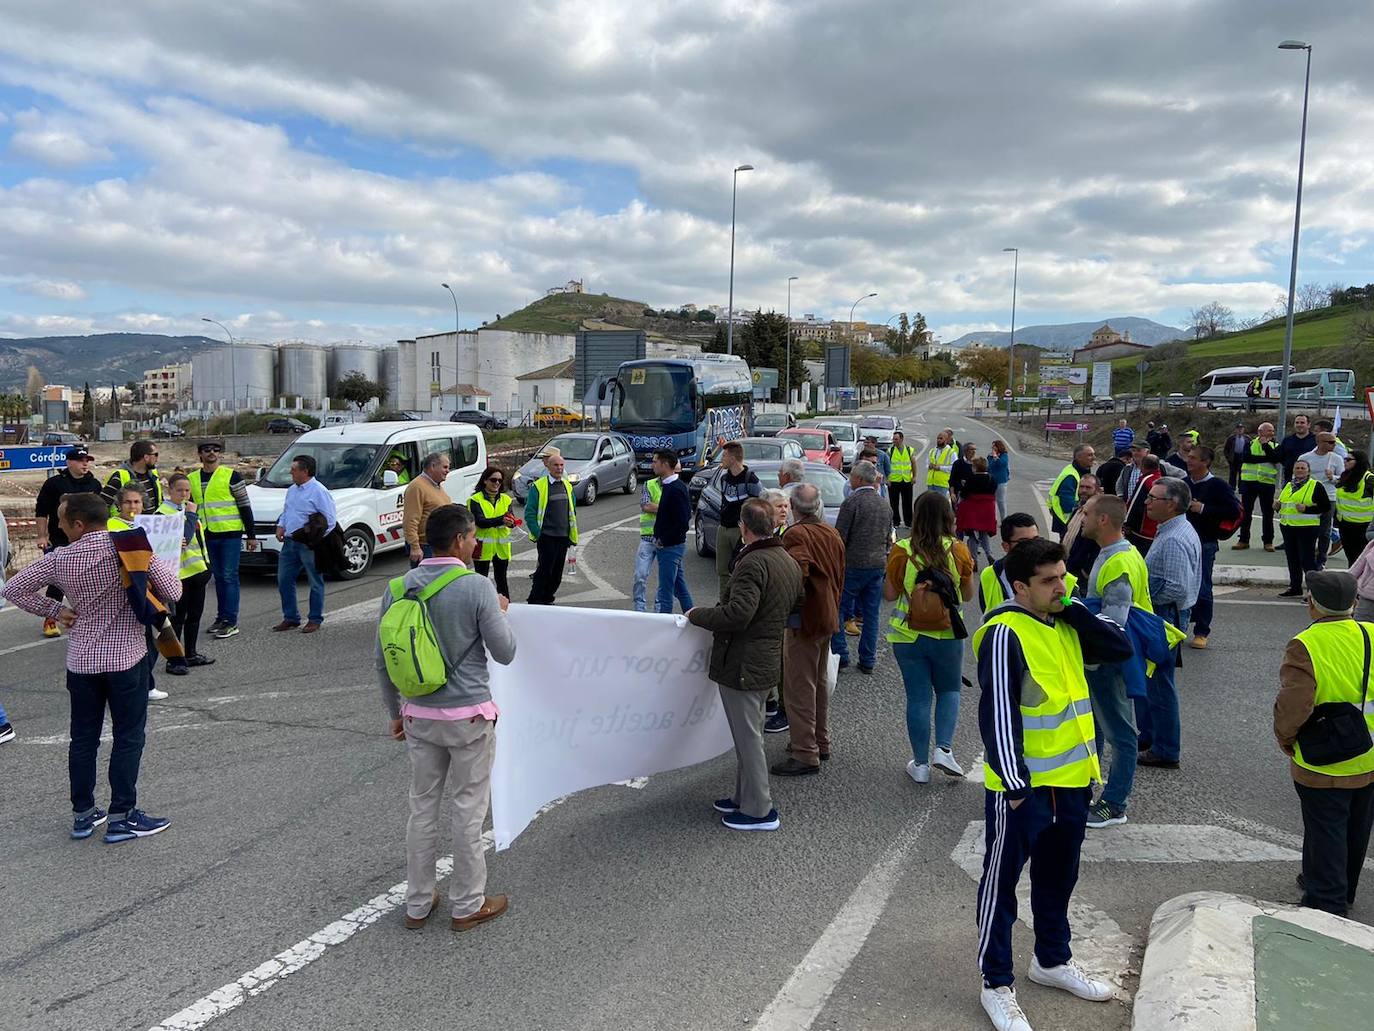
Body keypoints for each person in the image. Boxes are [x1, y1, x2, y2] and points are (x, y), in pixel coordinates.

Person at [972, 538, 1131, 1031]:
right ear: (1020, 586)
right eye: (1048, 581)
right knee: (1001, 886)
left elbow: (1120, 646)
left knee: (1059, 877)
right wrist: (1016, 785)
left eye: (1064, 576)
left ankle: (1052, 961)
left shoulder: (1066, 619)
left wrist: (1073, 608)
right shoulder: (1004, 632)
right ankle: (996, 984)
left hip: (1073, 782)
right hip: (1023, 788)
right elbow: (997, 712)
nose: (1061, 586)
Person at [3, 491, 181, 842]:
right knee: (128, 736)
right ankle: (122, 816)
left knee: (83, 739)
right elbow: (173, 589)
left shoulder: (60, 559)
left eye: (61, 519)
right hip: (126, 658)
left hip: (81, 660)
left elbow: (13, 589)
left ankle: (83, 815)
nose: (57, 524)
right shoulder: (130, 546)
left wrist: (55, 611)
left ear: (78, 524)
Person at [376, 503, 516, 931]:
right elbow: (505, 653)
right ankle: (467, 904)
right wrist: (500, 611)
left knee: (422, 809)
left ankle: (418, 903)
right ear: (459, 541)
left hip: (418, 714)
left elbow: (383, 661)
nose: (475, 542)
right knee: (467, 810)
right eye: (472, 536)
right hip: (469, 716)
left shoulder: (397, 588)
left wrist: (395, 712)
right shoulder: (475, 587)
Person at [687, 499, 804, 832]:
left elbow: (738, 614)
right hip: (766, 657)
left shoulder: (753, 562)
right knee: (747, 735)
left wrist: (697, 616)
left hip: (744, 661)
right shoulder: (785, 558)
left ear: (745, 527)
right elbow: (796, 602)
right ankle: (743, 797)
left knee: (749, 739)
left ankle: (758, 809)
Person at [1273, 570, 1374, 918]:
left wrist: (1286, 740)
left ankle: (1327, 905)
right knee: (1357, 827)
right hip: (1369, 755)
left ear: (1312, 605)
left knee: (1325, 829)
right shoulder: (1372, 634)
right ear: (1355, 604)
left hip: (1324, 758)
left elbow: (1294, 706)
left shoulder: (1306, 644)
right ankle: (1341, 888)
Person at [887, 491, 975, 786]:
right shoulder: (959, 550)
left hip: (907, 635)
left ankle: (921, 764)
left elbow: (889, 594)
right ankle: (944, 749)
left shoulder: (901, 550)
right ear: (948, 517)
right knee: (949, 691)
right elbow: (967, 595)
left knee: (918, 697)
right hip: (948, 633)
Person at [1079, 495, 1152, 828]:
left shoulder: (1118, 562)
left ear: (1103, 520)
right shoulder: (1113, 554)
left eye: (1087, 513)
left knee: (1120, 732)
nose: (1083, 518)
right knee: (1098, 725)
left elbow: (1113, 625)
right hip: (1105, 660)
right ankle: (1087, 788)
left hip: (1109, 661)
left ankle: (1114, 804)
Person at [774, 484, 845, 777]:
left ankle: (805, 751)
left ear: (792, 506)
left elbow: (797, 572)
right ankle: (819, 740)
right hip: (827, 616)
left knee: (799, 687)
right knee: (818, 682)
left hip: (805, 620)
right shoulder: (832, 533)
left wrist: (787, 605)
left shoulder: (796, 535)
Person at [1139, 477, 1201, 769]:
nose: (1147, 502)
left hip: (1165, 615)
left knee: (1160, 684)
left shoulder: (1175, 538)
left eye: (1153, 498)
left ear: (1172, 504)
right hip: (1165, 613)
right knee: (1152, 681)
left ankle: (1165, 749)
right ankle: (1151, 736)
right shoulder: (1173, 529)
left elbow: (1176, 587)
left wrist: (1145, 597)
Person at [189, 440, 257, 641]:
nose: (212, 453)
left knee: (229, 577)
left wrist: (251, 535)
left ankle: (231, 621)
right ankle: (221, 617)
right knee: (218, 578)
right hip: (207, 535)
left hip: (229, 534)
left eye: (216, 450)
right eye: (207, 450)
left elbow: (245, 505)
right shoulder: (192, 478)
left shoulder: (231, 475)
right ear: (200, 454)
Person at [33, 445, 102, 638]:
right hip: (60, 539)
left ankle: (90, 617)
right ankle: (50, 619)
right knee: (57, 580)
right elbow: (41, 511)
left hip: (88, 540)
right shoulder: (54, 484)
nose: (85, 464)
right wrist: (41, 535)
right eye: (80, 460)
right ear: (69, 462)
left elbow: (99, 512)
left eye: (87, 460)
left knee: (90, 579)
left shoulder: (94, 484)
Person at [832, 461, 891, 674]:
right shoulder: (884, 504)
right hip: (877, 565)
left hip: (853, 564)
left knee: (838, 608)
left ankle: (840, 654)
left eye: (851, 477)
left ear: (857, 479)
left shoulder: (851, 502)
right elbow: (888, 536)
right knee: (871, 614)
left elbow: (840, 537)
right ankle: (867, 659)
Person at [1183, 446, 1241, 649]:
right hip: (1182, 543)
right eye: (1188, 457)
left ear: (1205, 462)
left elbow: (1234, 510)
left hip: (1205, 543)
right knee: (1180, 586)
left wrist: (1204, 509)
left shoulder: (1217, 485)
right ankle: (1180, 626)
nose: (1188, 460)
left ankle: (1201, 631)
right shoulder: (1184, 483)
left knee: (1203, 588)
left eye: (1193, 458)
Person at [273, 454, 337, 633]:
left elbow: (330, 520)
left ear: (305, 471)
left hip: (309, 544)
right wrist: (281, 526)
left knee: (315, 581)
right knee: (284, 579)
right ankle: (291, 617)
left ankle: (315, 618)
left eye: (293, 469)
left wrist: (315, 540)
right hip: (291, 542)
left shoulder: (319, 491)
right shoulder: (292, 490)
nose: (290, 472)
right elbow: (287, 511)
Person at [159, 473, 214, 676]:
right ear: (170, 491)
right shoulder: (162, 514)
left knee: (195, 615)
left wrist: (207, 567)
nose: (184, 494)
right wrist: (191, 515)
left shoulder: (187, 510)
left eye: (187, 490)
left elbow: (198, 540)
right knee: (178, 618)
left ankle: (191, 653)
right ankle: (174, 659)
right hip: (178, 575)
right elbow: (186, 536)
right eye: (179, 490)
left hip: (198, 571)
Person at [525, 447, 578, 606]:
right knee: (544, 571)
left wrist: (571, 535)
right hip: (546, 536)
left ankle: (548, 599)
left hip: (563, 537)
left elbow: (572, 511)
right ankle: (534, 600)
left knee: (556, 574)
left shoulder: (567, 486)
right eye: (556, 465)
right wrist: (538, 533)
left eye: (562, 465)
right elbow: (530, 512)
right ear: (548, 466)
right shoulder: (539, 486)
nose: (559, 468)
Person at [713, 441, 763, 596]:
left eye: (724, 456)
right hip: (723, 528)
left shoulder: (751, 480)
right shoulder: (724, 479)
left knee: (738, 568)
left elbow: (758, 505)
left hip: (740, 530)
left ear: (733, 458)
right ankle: (723, 602)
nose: (722, 460)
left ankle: (737, 600)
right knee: (722, 570)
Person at [1278, 460, 1331, 599]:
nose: (1300, 470)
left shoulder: (1315, 485)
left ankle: (1313, 591)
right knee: (1292, 558)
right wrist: (1277, 506)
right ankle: (1295, 587)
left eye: (1303, 468)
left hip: (1307, 528)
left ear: (1308, 471)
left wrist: (1307, 509)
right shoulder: (1289, 485)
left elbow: (1326, 507)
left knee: (1307, 560)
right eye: (1297, 468)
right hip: (1288, 526)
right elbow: (1285, 504)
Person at [650, 450, 693, 614]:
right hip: (669, 545)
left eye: (655, 462)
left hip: (670, 547)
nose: (653, 465)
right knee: (679, 586)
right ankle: (691, 616)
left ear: (665, 464)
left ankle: (664, 623)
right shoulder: (669, 485)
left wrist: (663, 540)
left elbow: (683, 520)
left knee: (665, 590)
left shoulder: (676, 489)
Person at [1299, 433, 1346, 569]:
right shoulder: (1305, 458)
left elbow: (1342, 479)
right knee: (1308, 529)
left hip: (1329, 498)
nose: (1333, 445)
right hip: (1310, 497)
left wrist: (1332, 477)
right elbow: (1297, 476)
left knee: (1325, 531)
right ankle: (1307, 556)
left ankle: (1321, 559)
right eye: (1330, 442)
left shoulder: (1336, 459)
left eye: (1334, 442)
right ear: (1319, 442)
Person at [1234, 422, 1281, 553]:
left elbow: (1275, 458)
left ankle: (1268, 541)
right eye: (1269, 431)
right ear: (1260, 432)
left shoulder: (1275, 445)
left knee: (1268, 513)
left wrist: (1265, 446)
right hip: (1249, 483)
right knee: (1246, 513)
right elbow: (1246, 458)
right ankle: (1243, 540)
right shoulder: (1249, 443)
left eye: (1272, 431)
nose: (1272, 433)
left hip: (1267, 483)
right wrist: (1266, 458)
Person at [979, 513, 1040, 613]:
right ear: (1006, 546)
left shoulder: (1057, 572)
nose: (1033, 546)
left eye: (1036, 540)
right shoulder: (989, 575)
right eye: (1024, 542)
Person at [469, 466, 515, 598]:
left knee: (502, 580)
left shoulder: (506, 499)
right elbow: (481, 522)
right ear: (485, 481)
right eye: (493, 480)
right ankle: (480, 607)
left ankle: (506, 607)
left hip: (501, 547)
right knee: (481, 581)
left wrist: (511, 522)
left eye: (500, 481)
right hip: (482, 547)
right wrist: (502, 520)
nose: (497, 483)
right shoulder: (475, 500)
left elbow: (510, 517)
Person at [404, 451, 453, 568]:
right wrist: (415, 547)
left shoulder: (435, 485)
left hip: (438, 545)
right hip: (425, 547)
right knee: (426, 584)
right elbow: (410, 520)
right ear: (433, 466)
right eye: (445, 467)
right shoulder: (416, 487)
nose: (448, 471)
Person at [101, 439, 163, 515]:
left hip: (151, 523)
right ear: (146, 457)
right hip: (125, 524)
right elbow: (103, 505)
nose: (157, 459)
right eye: (155, 454)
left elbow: (160, 499)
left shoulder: (153, 474)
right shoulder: (119, 476)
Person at [1061, 474, 1101, 586]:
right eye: (1081, 487)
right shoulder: (1077, 510)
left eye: (1088, 488)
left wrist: (1085, 572)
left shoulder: (1098, 515)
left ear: (1097, 490)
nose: (1083, 490)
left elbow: (1099, 545)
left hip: (1080, 577)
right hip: (1067, 569)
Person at [957, 457, 998, 565]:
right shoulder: (991, 479)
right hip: (987, 510)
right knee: (983, 533)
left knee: (973, 535)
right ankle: (989, 554)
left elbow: (964, 494)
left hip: (973, 510)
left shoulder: (971, 479)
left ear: (975, 467)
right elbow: (993, 491)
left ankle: (973, 560)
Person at [1335, 452, 1374, 567]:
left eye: (1348, 460)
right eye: (1345, 459)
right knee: (1351, 557)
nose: (1345, 462)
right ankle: (1353, 582)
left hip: (1363, 525)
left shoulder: (1369, 479)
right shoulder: (1345, 476)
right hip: (1345, 523)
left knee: (1361, 558)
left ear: (1358, 461)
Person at [1048, 444, 1095, 536]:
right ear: (1079, 457)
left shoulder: (1078, 470)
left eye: (1093, 454)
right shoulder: (1071, 476)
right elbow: (1068, 505)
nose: (1094, 458)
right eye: (1090, 455)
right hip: (1068, 522)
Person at [889, 430, 916, 528]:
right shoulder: (890, 451)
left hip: (906, 480)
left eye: (896, 439)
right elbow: (887, 466)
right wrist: (888, 479)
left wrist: (915, 476)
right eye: (893, 439)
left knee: (907, 502)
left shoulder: (909, 450)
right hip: (894, 481)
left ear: (901, 439)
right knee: (894, 503)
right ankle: (896, 522)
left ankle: (908, 522)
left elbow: (913, 464)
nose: (894, 441)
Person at [1279, 413, 1314, 484]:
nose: (1299, 425)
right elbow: (1281, 457)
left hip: (1310, 480)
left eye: (1302, 423)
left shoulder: (1315, 440)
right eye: (1297, 423)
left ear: (1308, 425)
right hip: (1289, 479)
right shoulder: (1287, 440)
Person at [925, 428, 958, 497]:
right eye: (938, 438)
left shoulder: (951, 452)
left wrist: (940, 468)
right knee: (931, 504)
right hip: (931, 483)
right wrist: (929, 466)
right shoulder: (932, 451)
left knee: (940, 505)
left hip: (942, 484)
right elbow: (926, 463)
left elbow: (955, 468)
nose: (938, 440)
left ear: (946, 440)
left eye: (941, 438)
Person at [1349, 538, 1374, 622]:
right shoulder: (1372, 544)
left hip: (1368, 597)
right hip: (1367, 599)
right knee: (1360, 629)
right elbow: (1357, 567)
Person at [988, 440, 1011, 522]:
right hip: (991, 481)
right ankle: (993, 519)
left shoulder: (1004, 455)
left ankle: (1003, 519)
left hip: (1001, 481)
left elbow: (1002, 464)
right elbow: (990, 466)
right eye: (992, 446)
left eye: (994, 446)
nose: (992, 448)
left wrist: (996, 458)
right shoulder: (990, 456)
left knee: (1001, 501)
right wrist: (993, 458)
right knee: (991, 500)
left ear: (998, 447)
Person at [1222, 422, 1249, 491]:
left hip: (1242, 457)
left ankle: (1241, 488)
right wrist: (1228, 458)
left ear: (1243, 430)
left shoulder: (1247, 438)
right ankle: (1231, 487)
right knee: (1232, 474)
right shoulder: (1231, 438)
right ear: (1236, 430)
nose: (1240, 430)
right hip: (1233, 458)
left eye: (1241, 429)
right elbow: (1226, 449)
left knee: (1242, 474)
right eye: (1238, 429)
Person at [950, 442, 977, 507]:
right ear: (966, 451)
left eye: (975, 449)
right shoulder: (958, 463)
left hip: (973, 495)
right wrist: (952, 493)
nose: (974, 452)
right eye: (972, 449)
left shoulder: (978, 463)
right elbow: (952, 480)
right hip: (959, 494)